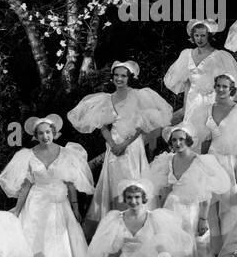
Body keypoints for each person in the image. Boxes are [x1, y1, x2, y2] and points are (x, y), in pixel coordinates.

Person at [0, 114, 102, 257]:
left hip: (58, 205)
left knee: (59, 246)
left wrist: (75, 206)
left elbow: (70, 184)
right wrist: (17, 211)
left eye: (48, 132)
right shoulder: (28, 155)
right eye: (41, 133)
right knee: (38, 246)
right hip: (36, 205)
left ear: (54, 133)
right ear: (36, 135)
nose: (45, 136)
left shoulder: (66, 153)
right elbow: (26, 186)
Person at [68, 61, 173, 224]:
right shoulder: (107, 98)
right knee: (114, 179)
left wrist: (124, 145)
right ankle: (115, 220)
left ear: (129, 78)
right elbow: (101, 125)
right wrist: (112, 144)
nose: (119, 78)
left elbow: (141, 125)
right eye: (116, 75)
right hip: (113, 144)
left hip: (131, 144)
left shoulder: (138, 95)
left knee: (133, 176)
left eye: (123, 76)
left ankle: (137, 218)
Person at [147, 124, 230, 257]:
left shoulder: (201, 162)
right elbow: (163, 190)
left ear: (189, 141)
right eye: (174, 140)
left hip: (192, 212)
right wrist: (159, 214)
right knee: (169, 254)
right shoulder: (167, 160)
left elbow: (206, 194)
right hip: (171, 210)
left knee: (194, 255)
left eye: (181, 140)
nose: (177, 143)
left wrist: (203, 218)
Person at [186, 71, 237, 238]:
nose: (221, 89)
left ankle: (234, 246)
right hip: (213, 159)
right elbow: (205, 140)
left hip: (234, 159)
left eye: (225, 87)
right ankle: (214, 248)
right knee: (210, 205)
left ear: (232, 89)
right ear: (214, 87)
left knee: (232, 206)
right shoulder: (206, 110)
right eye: (218, 86)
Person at [163, 20, 237, 122]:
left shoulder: (219, 56)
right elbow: (187, 83)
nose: (199, 39)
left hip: (210, 100)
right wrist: (185, 107)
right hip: (192, 99)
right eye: (196, 35)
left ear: (209, 36)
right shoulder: (186, 54)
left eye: (203, 35)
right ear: (193, 36)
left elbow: (225, 83)